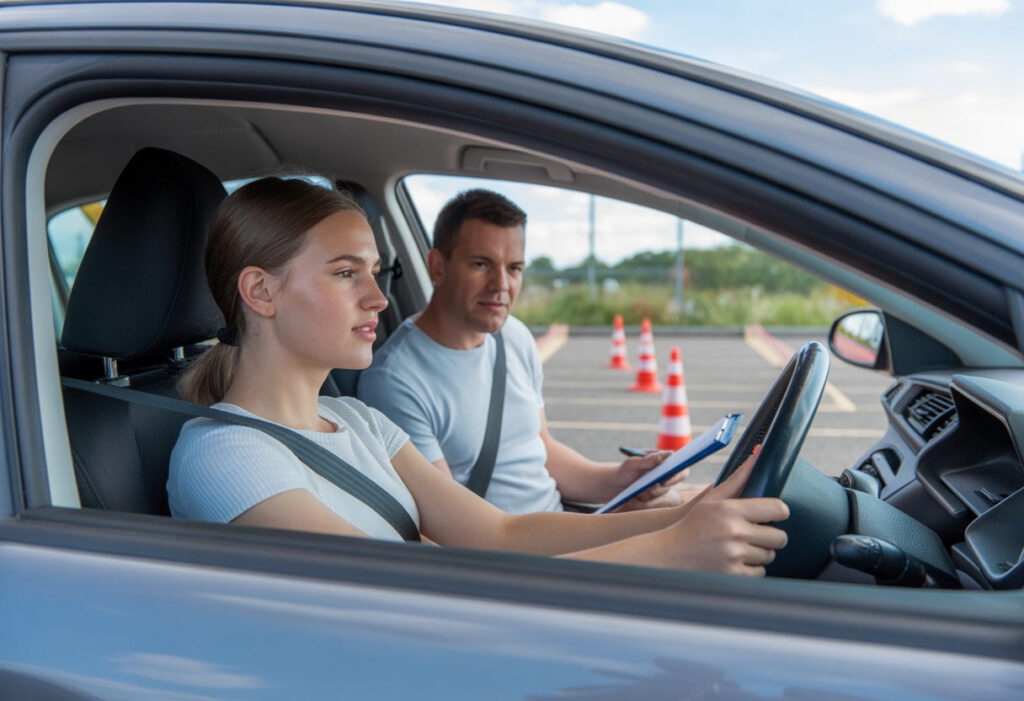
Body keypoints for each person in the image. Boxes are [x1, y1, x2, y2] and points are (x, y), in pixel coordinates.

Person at [167, 176, 788, 576]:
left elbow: (498, 531)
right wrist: (669, 552)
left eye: (374, 273)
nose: (379, 301)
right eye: (343, 273)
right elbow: (413, 598)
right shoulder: (225, 456)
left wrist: (690, 514)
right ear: (261, 292)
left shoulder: (358, 420)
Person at [358, 189, 691, 514]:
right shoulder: (395, 381)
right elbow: (457, 527)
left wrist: (624, 479)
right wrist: (614, 529)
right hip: (514, 561)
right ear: (438, 267)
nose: (501, 285)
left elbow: (541, 450)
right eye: (480, 264)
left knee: (706, 500)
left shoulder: (514, 336)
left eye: (514, 268)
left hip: (561, 526)